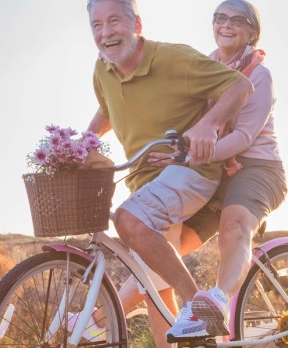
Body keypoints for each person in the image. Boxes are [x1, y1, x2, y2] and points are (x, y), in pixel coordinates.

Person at [71, 0, 253, 346]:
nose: (105, 32)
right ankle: (190, 326)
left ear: (136, 24)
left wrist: (207, 127)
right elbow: (108, 109)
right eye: (97, 25)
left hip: (190, 172)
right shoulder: (103, 71)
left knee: (128, 220)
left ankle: (197, 305)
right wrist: (80, 145)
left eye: (114, 21)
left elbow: (240, 87)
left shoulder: (174, 59)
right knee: (155, 289)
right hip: (146, 183)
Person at [103, 0, 287, 341]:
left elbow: (242, 139)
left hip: (257, 168)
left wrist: (184, 159)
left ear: (251, 33)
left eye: (237, 20)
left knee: (234, 226)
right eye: (220, 18)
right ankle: (102, 314)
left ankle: (213, 302)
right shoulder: (207, 63)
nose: (226, 25)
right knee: (160, 250)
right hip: (212, 170)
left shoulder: (259, 76)